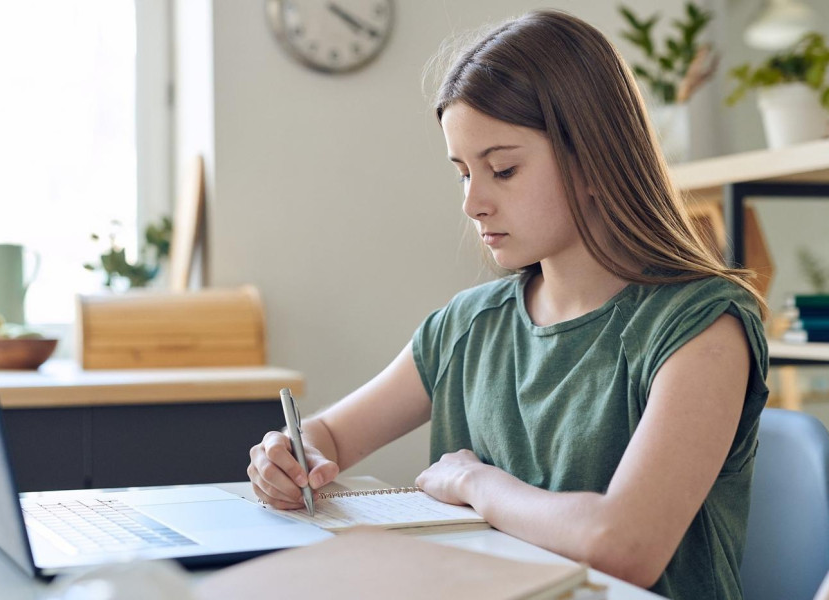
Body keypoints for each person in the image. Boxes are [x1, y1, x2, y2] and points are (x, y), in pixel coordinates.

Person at [247, 9, 768, 600]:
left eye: (503, 169)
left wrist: (476, 482)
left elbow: (625, 546)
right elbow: (329, 439)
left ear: (593, 158)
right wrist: (290, 456)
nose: (473, 203)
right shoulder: (469, 326)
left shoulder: (702, 327)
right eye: (463, 174)